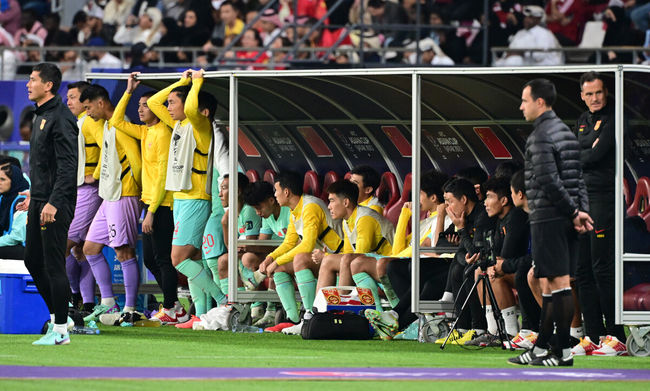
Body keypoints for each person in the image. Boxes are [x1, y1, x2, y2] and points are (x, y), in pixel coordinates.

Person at [508, 78, 592, 367]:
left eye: (525, 100)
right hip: (566, 217)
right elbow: (578, 179)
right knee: (548, 283)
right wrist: (581, 212)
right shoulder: (567, 133)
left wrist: (571, 213)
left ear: (540, 102)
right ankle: (542, 347)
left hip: (550, 217)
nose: (521, 106)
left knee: (557, 283)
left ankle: (564, 353)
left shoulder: (540, 136)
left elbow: (547, 180)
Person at [148, 69, 227, 330]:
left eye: (174, 102)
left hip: (195, 198)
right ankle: (204, 313)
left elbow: (192, 109)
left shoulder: (200, 126)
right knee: (191, 259)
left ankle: (225, 302)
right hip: (180, 199)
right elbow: (152, 103)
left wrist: (196, 83)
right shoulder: (178, 125)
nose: (167, 107)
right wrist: (181, 83)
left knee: (178, 259)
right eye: (169, 102)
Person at [108, 72, 187, 325]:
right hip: (151, 203)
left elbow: (163, 175)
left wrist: (151, 210)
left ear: (158, 108)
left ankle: (173, 307)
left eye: (145, 106)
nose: (140, 110)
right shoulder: (145, 132)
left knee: (162, 257)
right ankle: (172, 304)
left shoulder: (164, 133)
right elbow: (117, 120)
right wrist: (128, 91)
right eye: (139, 106)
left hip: (164, 204)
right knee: (152, 258)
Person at [571, 71, 627, 356]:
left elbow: (597, 155)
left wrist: (587, 151)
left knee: (601, 268)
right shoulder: (582, 120)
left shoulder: (615, 118)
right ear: (581, 95)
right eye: (589, 94)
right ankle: (593, 337)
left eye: (599, 93)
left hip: (604, 200)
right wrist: (586, 148)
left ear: (607, 93)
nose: (594, 98)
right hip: (581, 201)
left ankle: (616, 336)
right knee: (582, 271)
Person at [360, 170, 452, 340]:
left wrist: (440, 216)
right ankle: (396, 320)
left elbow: (434, 248)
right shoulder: (425, 221)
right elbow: (399, 250)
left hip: (438, 267)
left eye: (420, 194)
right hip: (421, 265)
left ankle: (395, 320)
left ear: (433, 198)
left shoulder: (446, 219)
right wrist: (404, 216)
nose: (416, 198)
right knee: (394, 265)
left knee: (391, 266)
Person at [23, 63, 78, 346]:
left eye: (32, 80)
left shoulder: (61, 117)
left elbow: (69, 166)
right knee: (31, 260)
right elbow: (45, 164)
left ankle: (60, 331)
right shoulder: (40, 115)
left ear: (48, 85)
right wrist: (34, 194)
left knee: (54, 264)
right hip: (40, 198)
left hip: (56, 203)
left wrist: (54, 202)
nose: (27, 84)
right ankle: (61, 316)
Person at [80, 84, 143, 323]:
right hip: (109, 194)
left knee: (123, 251)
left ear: (101, 102)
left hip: (124, 193)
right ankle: (107, 303)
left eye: (88, 108)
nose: (87, 113)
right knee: (90, 248)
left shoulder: (119, 124)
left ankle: (130, 308)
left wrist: (136, 191)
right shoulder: (106, 125)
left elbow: (135, 161)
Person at [258, 171, 342, 333]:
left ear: (286, 192)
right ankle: (292, 319)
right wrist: (271, 258)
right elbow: (289, 242)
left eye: (276, 191)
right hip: (322, 259)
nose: (275, 195)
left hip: (337, 258)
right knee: (280, 269)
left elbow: (307, 245)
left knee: (300, 259)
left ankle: (310, 317)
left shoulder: (310, 206)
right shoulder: (294, 210)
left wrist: (277, 260)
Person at [465, 176, 529, 347]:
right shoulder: (499, 219)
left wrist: (495, 264)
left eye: (489, 197)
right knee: (480, 271)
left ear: (504, 200)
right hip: (512, 268)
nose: (485, 202)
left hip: (525, 270)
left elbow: (506, 255)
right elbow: (495, 254)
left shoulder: (516, 217)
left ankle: (510, 331)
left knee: (495, 274)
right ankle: (493, 331)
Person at [314, 180, 394, 313]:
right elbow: (349, 254)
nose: (329, 206)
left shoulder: (365, 218)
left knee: (339, 260)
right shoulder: (347, 220)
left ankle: (339, 311)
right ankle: (317, 313)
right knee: (331, 261)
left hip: (390, 266)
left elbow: (358, 256)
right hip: (372, 264)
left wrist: (326, 256)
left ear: (345, 202)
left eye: (332, 201)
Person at [64, 81, 103, 313]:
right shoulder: (78, 123)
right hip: (76, 189)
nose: (69, 102)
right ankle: (85, 302)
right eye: (67, 97)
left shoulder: (90, 122)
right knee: (80, 249)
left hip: (88, 191)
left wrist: (95, 175)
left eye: (73, 97)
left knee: (66, 244)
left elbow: (110, 148)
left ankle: (68, 299)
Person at [240, 180, 291, 327]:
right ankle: (257, 307)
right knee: (248, 258)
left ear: (271, 200)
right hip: (278, 253)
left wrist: (271, 258)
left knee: (276, 262)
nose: (257, 213)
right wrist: (247, 248)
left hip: (295, 254)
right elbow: (263, 244)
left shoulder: (288, 211)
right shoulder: (267, 217)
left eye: (258, 207)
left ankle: (271, 309)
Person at [494, 5, 563, 67]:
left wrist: (520, 53)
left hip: (546, 69)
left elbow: (539, 56)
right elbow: (510, 51)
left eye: (530, 17)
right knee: (498, 62)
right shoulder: (520, 33)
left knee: (515, 60)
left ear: (538, 19)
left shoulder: (544, 33)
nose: (526, 20)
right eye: (525, 17)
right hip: (526, 67)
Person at [0, 163, 30, 259]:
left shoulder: (22, 201)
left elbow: (17, 237)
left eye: (2, 179)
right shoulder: (4, 198)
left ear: (13, 181)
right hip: (11, 244)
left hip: (25, 248)